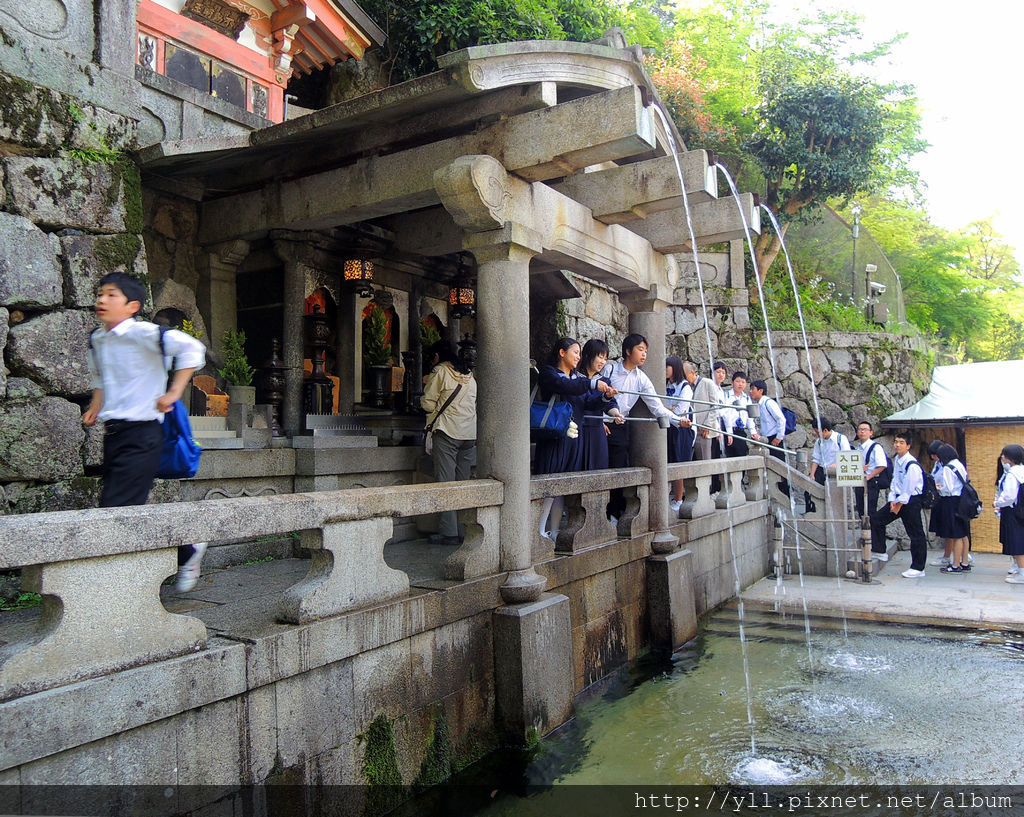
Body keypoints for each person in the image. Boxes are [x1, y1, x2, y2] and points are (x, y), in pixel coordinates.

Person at [84, 272, 208, 592]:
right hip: (114, 435)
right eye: (101, 294)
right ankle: (188, 548)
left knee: (115, 511)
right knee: (125, 509)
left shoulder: (144, 333)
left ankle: (113, 586)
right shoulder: (97, 339)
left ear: (132, 306)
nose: (102, 300)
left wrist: (175, 391)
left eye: (111, 295)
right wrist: (96, 405)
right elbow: (100, 376)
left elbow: (193, 350)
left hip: (144, 435)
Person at [535, 337, 616, 538]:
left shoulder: (576, 378)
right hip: (554, 437)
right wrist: (592, 384)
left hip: (574, 437)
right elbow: (566, 386)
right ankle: (538, 531)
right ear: (562, 353)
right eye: (576, 352)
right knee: (549, 484)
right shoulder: (549, 373)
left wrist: (605, 397)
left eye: (580, 353)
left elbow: (588, 402)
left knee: (563, 485)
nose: (579, 357)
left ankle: (553, 532)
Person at [604, 334, 675, 522]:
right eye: (640, 349)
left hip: (619, 428)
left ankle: (614, 512)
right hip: (599, 425)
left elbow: (656, 407)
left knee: (618, 470)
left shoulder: (641, 378)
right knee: (596, 467)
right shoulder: (609, 369)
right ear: (628, 351)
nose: (644, 354)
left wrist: (678, 420)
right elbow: (594, 394)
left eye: (646, 350)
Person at [422, 341, 477, 546]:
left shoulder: (440, 371)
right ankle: (464, 529)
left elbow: (428, 403)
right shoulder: (470, 377)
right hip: (469, 434)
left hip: (448, 431)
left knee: (446, 482)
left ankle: (449, 533)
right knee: (462, 483)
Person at [869, 430, 928, 578]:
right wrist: (892, 500)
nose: (897, 445)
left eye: (901, 443)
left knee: (916, 534)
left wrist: (899, 504)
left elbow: (908, 488)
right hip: (896, 500)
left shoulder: (911, 464)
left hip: (911, 501)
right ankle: (880, 550)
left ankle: (918, 567)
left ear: (908, 446)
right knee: (876, 519)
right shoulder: (898, 460)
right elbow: (895, 482)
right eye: (896, 442)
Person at [577, 338, 623, 471]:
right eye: (600, 357)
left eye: (605, 358)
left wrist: (616, 414)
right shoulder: (575, 377)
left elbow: (610, 404)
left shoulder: (604, 380)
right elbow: (586, 402)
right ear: (588, 355)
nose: (603, 362)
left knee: (598, 467)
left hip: (597, 429)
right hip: (579, 427)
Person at [934, 443, 971, 574]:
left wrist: (939, 488)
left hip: (951, 501)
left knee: (956, 535)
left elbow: (948, 488)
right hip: (961, 501)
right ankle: (965, 562)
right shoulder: (959, 464)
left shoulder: (948, 468)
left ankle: (955, 565)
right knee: (963, 533)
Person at [664, 355, 694, 512]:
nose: (664, 371)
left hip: (681, 429)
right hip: (667, 428)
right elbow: (662, 405)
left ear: (674, 367)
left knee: (679, 463)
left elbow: (681, 410)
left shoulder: (685, 387)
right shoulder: (665, 385)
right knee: (667, 461)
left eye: (667, 367)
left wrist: (667, 409)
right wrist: (669, 408)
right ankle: (669, 495)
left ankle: (678, 498)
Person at [749, 379, 789, 496]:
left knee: (780, 470)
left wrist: (779, 437)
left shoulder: (768, 403)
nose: (750, 392)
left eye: (753, 389)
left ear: (760, 390)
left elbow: (781, 419)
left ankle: (785, 496)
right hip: (766, 439)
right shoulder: (759, 404)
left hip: (774, 440)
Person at [804, 418, 851, 514]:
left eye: (818, 432)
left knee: (832, 495)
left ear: (825, 430)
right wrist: (812, 474)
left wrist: (835, 465)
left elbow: (847, 456)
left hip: (835, 472)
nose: (817, 435)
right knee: (808, 491)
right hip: (821, 470)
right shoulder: (819, 442)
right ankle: (811, 515)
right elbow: (816, 458)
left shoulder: (840, 439)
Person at [994, 445, 1024, 583]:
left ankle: (1022, 573)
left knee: (1016, 541)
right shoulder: (1021, 470)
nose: (1002, 457)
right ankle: (1019, 569)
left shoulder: (1012, 474)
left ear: (1010, 458)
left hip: (1013, 511)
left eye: (1004, 455)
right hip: (1020, 511)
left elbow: (1009, 496)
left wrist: (998, 503)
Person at [681, 361, 720, 463]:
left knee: (704, 462)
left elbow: (715, 406)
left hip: (703, 430)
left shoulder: (708, 383)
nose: (684, 379)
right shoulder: (684, 386)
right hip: (688, 428)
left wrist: (707, 424)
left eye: (685, 376)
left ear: (692, 373)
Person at [853, 421, 888, 519]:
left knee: (870, 510)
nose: (862, 432)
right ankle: (865, 532)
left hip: (871, 482)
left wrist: (869, 476)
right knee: (860, 509)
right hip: (859, 481)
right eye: (860, 429)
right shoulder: (858, 448)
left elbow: (882, 465)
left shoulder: (876, 447)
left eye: (865, 429)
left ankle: (872, 534)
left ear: (871, 432)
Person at [722, 371, 753, 457]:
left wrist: (753, 432)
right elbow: (725, 415)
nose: (740, 384)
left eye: (743, 382)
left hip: (741, 430)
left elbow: (749, 417)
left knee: (742, 454)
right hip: (729, 430)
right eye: (738, 381)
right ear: (732, 382)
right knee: (730, 456)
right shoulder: (727, 396)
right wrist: (729, 433)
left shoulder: (746, 398)